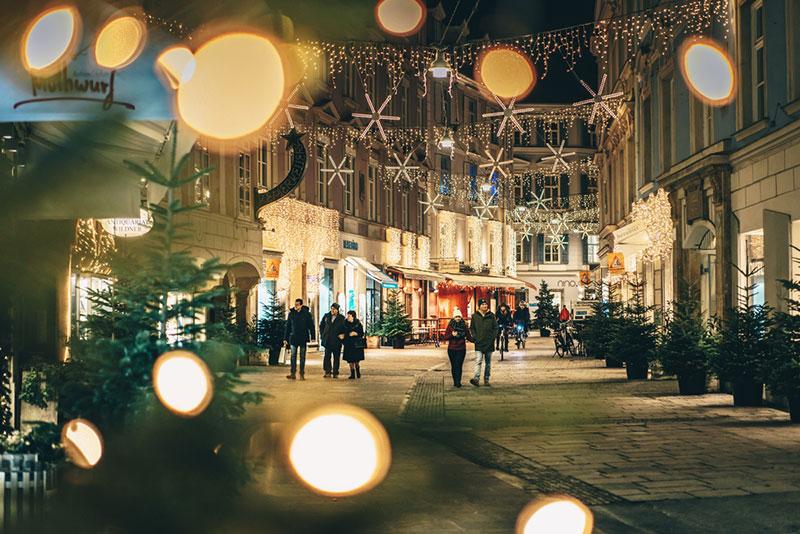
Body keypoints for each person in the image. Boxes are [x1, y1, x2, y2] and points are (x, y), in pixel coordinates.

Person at [469, 299, 498, 387]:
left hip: (489, 343)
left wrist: (492, 338)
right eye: (483, 304)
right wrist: (475, 337)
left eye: (486, 304)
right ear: (479, 306)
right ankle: (476, 379)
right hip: (479, 342)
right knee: (478, 361)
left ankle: (486, 379)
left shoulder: (491, 316)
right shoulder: (475, 316)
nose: (485, 306)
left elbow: (495, 328)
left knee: (488, 363)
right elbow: (472, 328)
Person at [284, 298, 315, 380]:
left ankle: (301, 373)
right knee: (293, 356)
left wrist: (313, 337)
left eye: (298, 304)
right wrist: (285, 338)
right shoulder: (291, 314)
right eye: (295, 304)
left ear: (301, 305)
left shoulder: (306, 314)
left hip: (303, 338)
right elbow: (288, 326)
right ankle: (293, 373)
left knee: (302, 356)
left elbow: (311, 326)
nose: (296, 306)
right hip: (294, 338)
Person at [443, 308, 473, 387]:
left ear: (461, 317)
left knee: (459, 365)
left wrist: (476, 341)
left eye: (459, 317)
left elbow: (469, 336)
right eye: (456, 317)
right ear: (453, 317)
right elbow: (445, 337)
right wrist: (452, 335)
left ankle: (458, 381)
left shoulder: (464, 326)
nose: (458, 318)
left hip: (461, 348)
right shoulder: (450, 326)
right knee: (454, 365)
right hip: (451, 349)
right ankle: (455, 381)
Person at [319, 303, 346, 378]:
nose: (332, 310)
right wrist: (322, 335)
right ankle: (327, 371)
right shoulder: (326, 316)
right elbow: (321, 326)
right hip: (327, 339)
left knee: (336, 357)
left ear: (337, 310)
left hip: (336, 340)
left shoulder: (341, 318)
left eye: (334, 309)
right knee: (327, 356)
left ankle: (335, 372)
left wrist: (342, 335)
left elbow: (344, 328)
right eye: (332, 308)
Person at [342, 310, 365, 379]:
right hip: (348, 343)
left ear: (353, 317)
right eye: (347, 316)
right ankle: (352, 373)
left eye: (349, 316)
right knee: (350, 360)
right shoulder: (345, 324)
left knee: (356, 359)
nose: (348, 317)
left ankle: (358, 371)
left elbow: (361, 333)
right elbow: (342, 332)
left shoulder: (358, 324)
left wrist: (356, 333)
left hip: (356, 344)